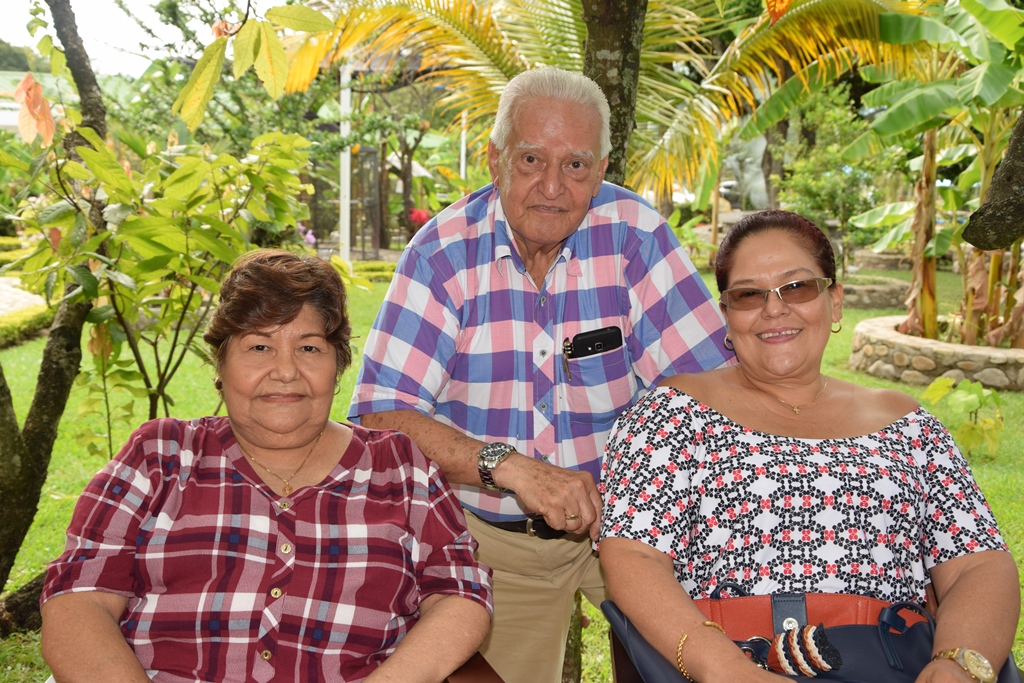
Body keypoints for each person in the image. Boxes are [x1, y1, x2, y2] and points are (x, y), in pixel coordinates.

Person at [349, 66, 732, 682]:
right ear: (496, 158)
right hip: (497, 540)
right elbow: (381, 417)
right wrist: (509, 466)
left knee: (707, 665)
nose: (552, 186)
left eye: (575, 166)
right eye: (531, 159)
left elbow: (714, 392)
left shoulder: (636, 236)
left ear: (601, 169)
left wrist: (648, 499)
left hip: (634, 532)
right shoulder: (441, 254)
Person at [599, 210, 1020, 683]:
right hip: (730, 663)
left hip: (895, 664)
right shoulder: (672, 413)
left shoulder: (907, 424)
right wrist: (728, 671)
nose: (773, 309)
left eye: (796, 288)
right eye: (748, 294)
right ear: (727, 315)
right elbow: (634, 557)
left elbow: (979, 564)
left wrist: (955, 669)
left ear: (835, 301)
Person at [40, 250, 493, 683]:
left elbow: (460, 593)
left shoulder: (399, 467)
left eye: (309, 348)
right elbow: (78, 599)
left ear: (337, 366)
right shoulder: (161, 456)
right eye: (259, 347)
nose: (285, 371)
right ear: (220, 364)